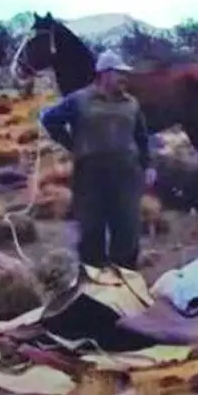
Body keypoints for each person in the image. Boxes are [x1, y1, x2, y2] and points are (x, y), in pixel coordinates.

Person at [39, 50, 155, 270]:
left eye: (125, 74)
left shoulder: (132, 104)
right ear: (104, 74)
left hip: (126, 173)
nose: (124, 78)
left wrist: (147, 165)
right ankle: (93, 277)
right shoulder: (79, 100)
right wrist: (73, 145)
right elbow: (50, 119)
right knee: (91, 226)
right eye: (119, 73)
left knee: (127, 226)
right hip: (90, 173)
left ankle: (125, 276)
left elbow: (141, 136)